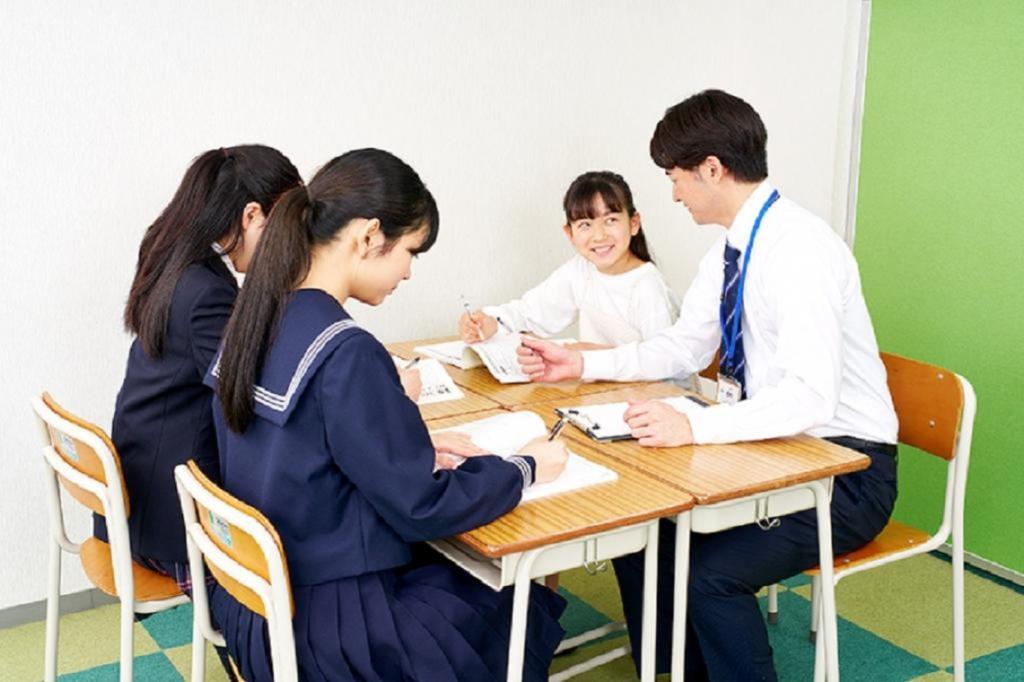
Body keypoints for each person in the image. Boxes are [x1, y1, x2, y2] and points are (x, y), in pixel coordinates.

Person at [518, 89, 899, 681]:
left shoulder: (801, 251)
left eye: (675, 177)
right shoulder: (733, 247)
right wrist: (581, 364)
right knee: (643, 536)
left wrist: (692, 423)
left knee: (709, 574)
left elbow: (809, 398)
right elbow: (683, 344)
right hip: (776, 448)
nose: (672, 192)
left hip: (846, 470)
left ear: (712, 169)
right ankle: (674, 670)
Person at [207, 148, 568, 681]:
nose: (408, 273)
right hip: (331, 632)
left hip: (253, 608)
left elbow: (294, 455)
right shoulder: (346, 349)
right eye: (411, 252)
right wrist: (524, 467)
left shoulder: (256, 317)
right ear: (369, 236)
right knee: (512, 608)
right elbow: (422, 508)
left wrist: (416, 452)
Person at [106, 144, 301, 585]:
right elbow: (246, 394)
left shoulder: (171, 255)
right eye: (281, 228)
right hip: (175, 526)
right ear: (252, 216)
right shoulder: (207, 291)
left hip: (144, 494)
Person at [458, 171, 678, 350]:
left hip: (652, 401)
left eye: (610, 220)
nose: (599, 236)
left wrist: (589, 355)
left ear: (634, 223)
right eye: (585, 225)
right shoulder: (581, 271)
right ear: (569, 233)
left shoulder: (648, 286)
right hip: (602, 397)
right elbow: (531, 312)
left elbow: (665, 365)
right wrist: (490, 321)